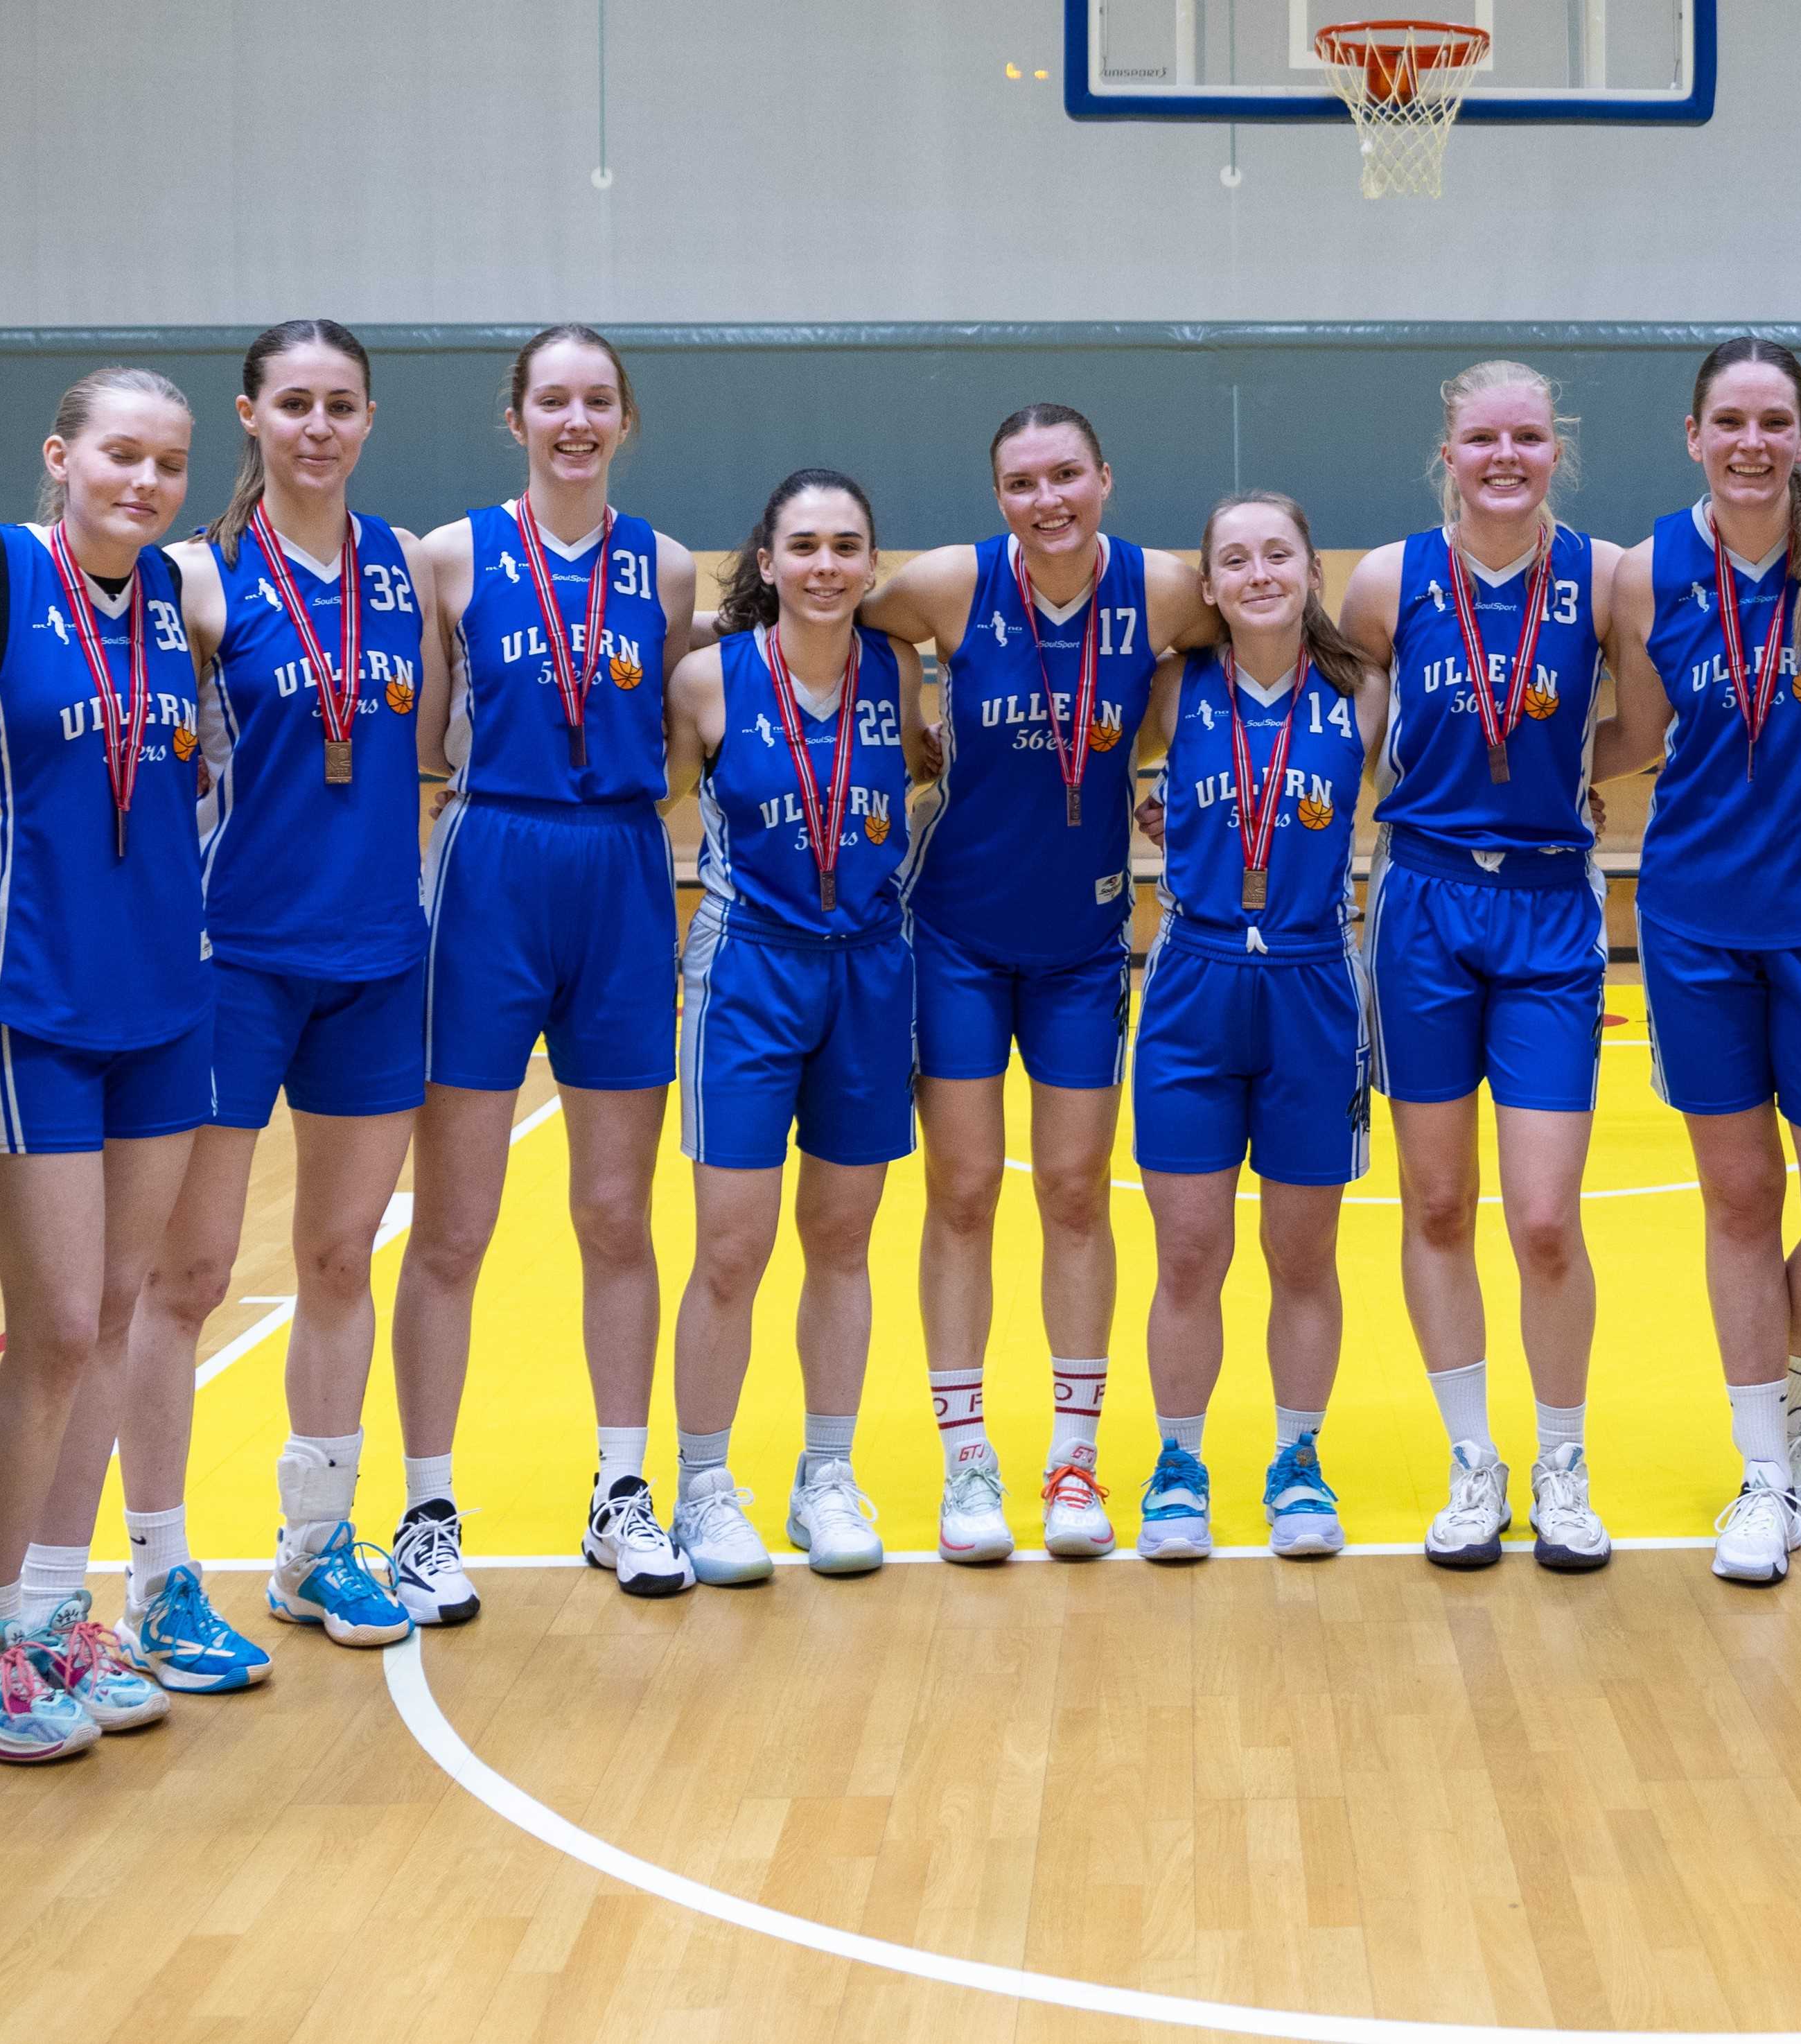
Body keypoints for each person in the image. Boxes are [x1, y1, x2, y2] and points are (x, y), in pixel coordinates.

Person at [0, 368, 215, 1762]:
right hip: (21, 1004)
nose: (142, 480)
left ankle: (50, 1608)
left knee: (120, 1305)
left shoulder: (175, 604)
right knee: (52, 1329)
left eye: (166, 461)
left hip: (161, 1000)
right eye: (118, 454)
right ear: (60, 456)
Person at [114, 320, 433, 1686]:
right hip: (232, 959)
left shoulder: (410, 569)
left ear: (368, 420)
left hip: (377, 957)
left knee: (337, 1256)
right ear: (249, 416)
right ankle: (159, 1571)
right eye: (292, 403)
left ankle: (313, 1542)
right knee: (184, 1275)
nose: (317, 425)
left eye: (340, 404)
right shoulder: (195, 577)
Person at [1597, 337, 1801, 1587]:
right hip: (1695, 919)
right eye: (1727, 419)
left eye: (1774, 420)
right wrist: (1491, 779)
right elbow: (1636, 730)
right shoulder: (1645, 570)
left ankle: (1793, 1402)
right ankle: (1764, 1470)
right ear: (1692, 434)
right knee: (1740, 1199)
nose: (1751, 441)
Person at [862, 406, 1210, 1565]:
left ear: (1106, 478)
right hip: (956, 934)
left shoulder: (1164, 590)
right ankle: (968, 1455)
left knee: (1073, 1191)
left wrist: (1174, 761)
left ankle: (1073, 1456)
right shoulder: (952, 585)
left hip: (1083, 941)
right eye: (1022, 480)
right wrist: (907, 707)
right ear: (996, 493)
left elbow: (1267, 632)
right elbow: (833, 615)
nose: (1047, 498)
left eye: (1067, 474)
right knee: (961, 1190)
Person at [401, 325, 701, 1599]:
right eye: (551, 399)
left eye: (597, 400)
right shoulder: (452, 555)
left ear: (625, 420)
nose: (574, 419)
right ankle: (425, 1508)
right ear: (513, 416)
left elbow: (682, 743)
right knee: (454, 1220)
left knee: (615, 1210)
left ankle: (622, 1489)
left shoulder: (672, 568)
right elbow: (420, 744)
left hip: (624, 870)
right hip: (490, 868)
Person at [1339, 361, 1615, 1571]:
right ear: (1443, 451)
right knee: (1439, 1202)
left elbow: (1643, 723)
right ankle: (1473, 1462)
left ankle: (1562, 1459)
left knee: (1546, 1214)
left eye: (1528, 436)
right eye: (1480, 437)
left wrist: (1579, 782)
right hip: (1425, 897)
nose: (1504, 454)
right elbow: (1343, 727)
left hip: (1555, 901)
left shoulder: (1607, 578)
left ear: (1558, 447)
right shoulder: (1387, 581)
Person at [659, 469, 918, 1583]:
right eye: (802, 545)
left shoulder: (898, 675)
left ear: (870, 564)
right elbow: (660, 807)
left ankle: (825, 1477)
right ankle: (704, 1487)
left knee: (844, 1240)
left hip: (867, 967)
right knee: (731, 1246)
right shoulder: (706, 682)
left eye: (846, 546)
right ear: (766, 562)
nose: (824, 565)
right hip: (747, 973)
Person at [1125, 492, 1387, 1562]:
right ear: (1209, 583)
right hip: (1190, 980)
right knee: (1187, 1251)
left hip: (1313, 982)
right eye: (1233, 559)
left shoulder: (1361, 691)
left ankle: (1296, 1458)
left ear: (1312, 567)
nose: (1259, 572)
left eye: (1278, 551)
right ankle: (1178, 1463)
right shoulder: (1172, 687)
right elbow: (1079, 757)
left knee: (1300, 1251)